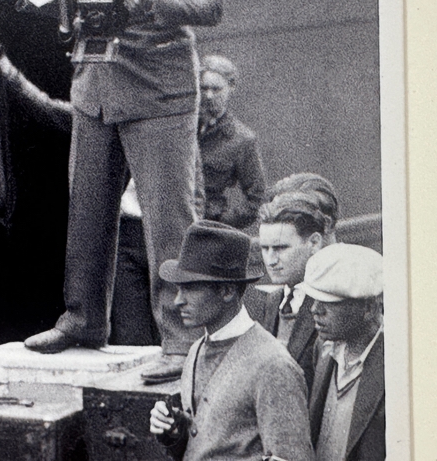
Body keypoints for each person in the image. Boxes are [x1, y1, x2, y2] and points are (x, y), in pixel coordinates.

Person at [24, 0, 223, 385]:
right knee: (86, 211)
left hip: (157, 94)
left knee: (168, 221)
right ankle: (82, 320)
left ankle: (182, 342)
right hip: (95, 89)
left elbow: (211, 5)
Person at [148, 220, 314, 461]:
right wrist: (175, 432)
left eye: (191, 288)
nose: (177, 301)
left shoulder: (273, 366)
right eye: (178, 288)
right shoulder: (196, 350)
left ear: (227, 292)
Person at [298, 244, 385, 461]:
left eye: (329, 302)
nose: (315, 309)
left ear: (369, 309)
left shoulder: (396, 363)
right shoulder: (324, 348)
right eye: (314, 299)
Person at [255, 188, 337, 391]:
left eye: (281, 248)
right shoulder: (273, 301)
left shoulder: (331, 303)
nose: (271, 260)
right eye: (265, 249)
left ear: (314, 243)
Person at [197, 55, 266, 228]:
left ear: (231, 87)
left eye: (216, 89)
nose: (209, 96)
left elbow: (257, 198)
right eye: (203, 88)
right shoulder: (185, 130)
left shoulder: (241, 139)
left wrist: (223, 222)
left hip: (209, 227)